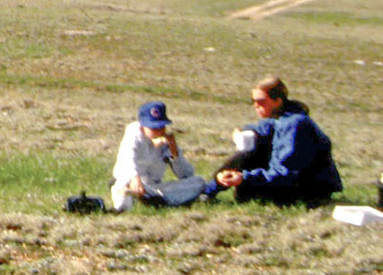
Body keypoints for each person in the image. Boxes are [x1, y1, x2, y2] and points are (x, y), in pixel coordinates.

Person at [214, 75, 343, 207]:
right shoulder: (279, 118)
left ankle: (210, 190)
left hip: (309, 190)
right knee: (250, 148)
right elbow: (261, 128)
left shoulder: (294, 125)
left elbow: (286, 172)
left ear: (277, 101)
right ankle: (211, 188)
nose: (255, 106)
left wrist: (244, 178)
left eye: (261, 101)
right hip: (289, 181)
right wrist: (243, 131)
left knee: (250, 160)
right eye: (253, 101)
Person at [110, 100, 216, 211]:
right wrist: (135, 178)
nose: (159, 131)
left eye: (161, 127)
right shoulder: (133, 135)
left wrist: (175, 153)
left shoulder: (166, 142)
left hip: (154, 187)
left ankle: (155, 199)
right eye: (153, 128)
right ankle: (127, 205)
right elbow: (128, 159)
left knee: (198, 182)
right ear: (142, 126)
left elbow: (186, 174)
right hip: (130, 181)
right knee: (121, 187)